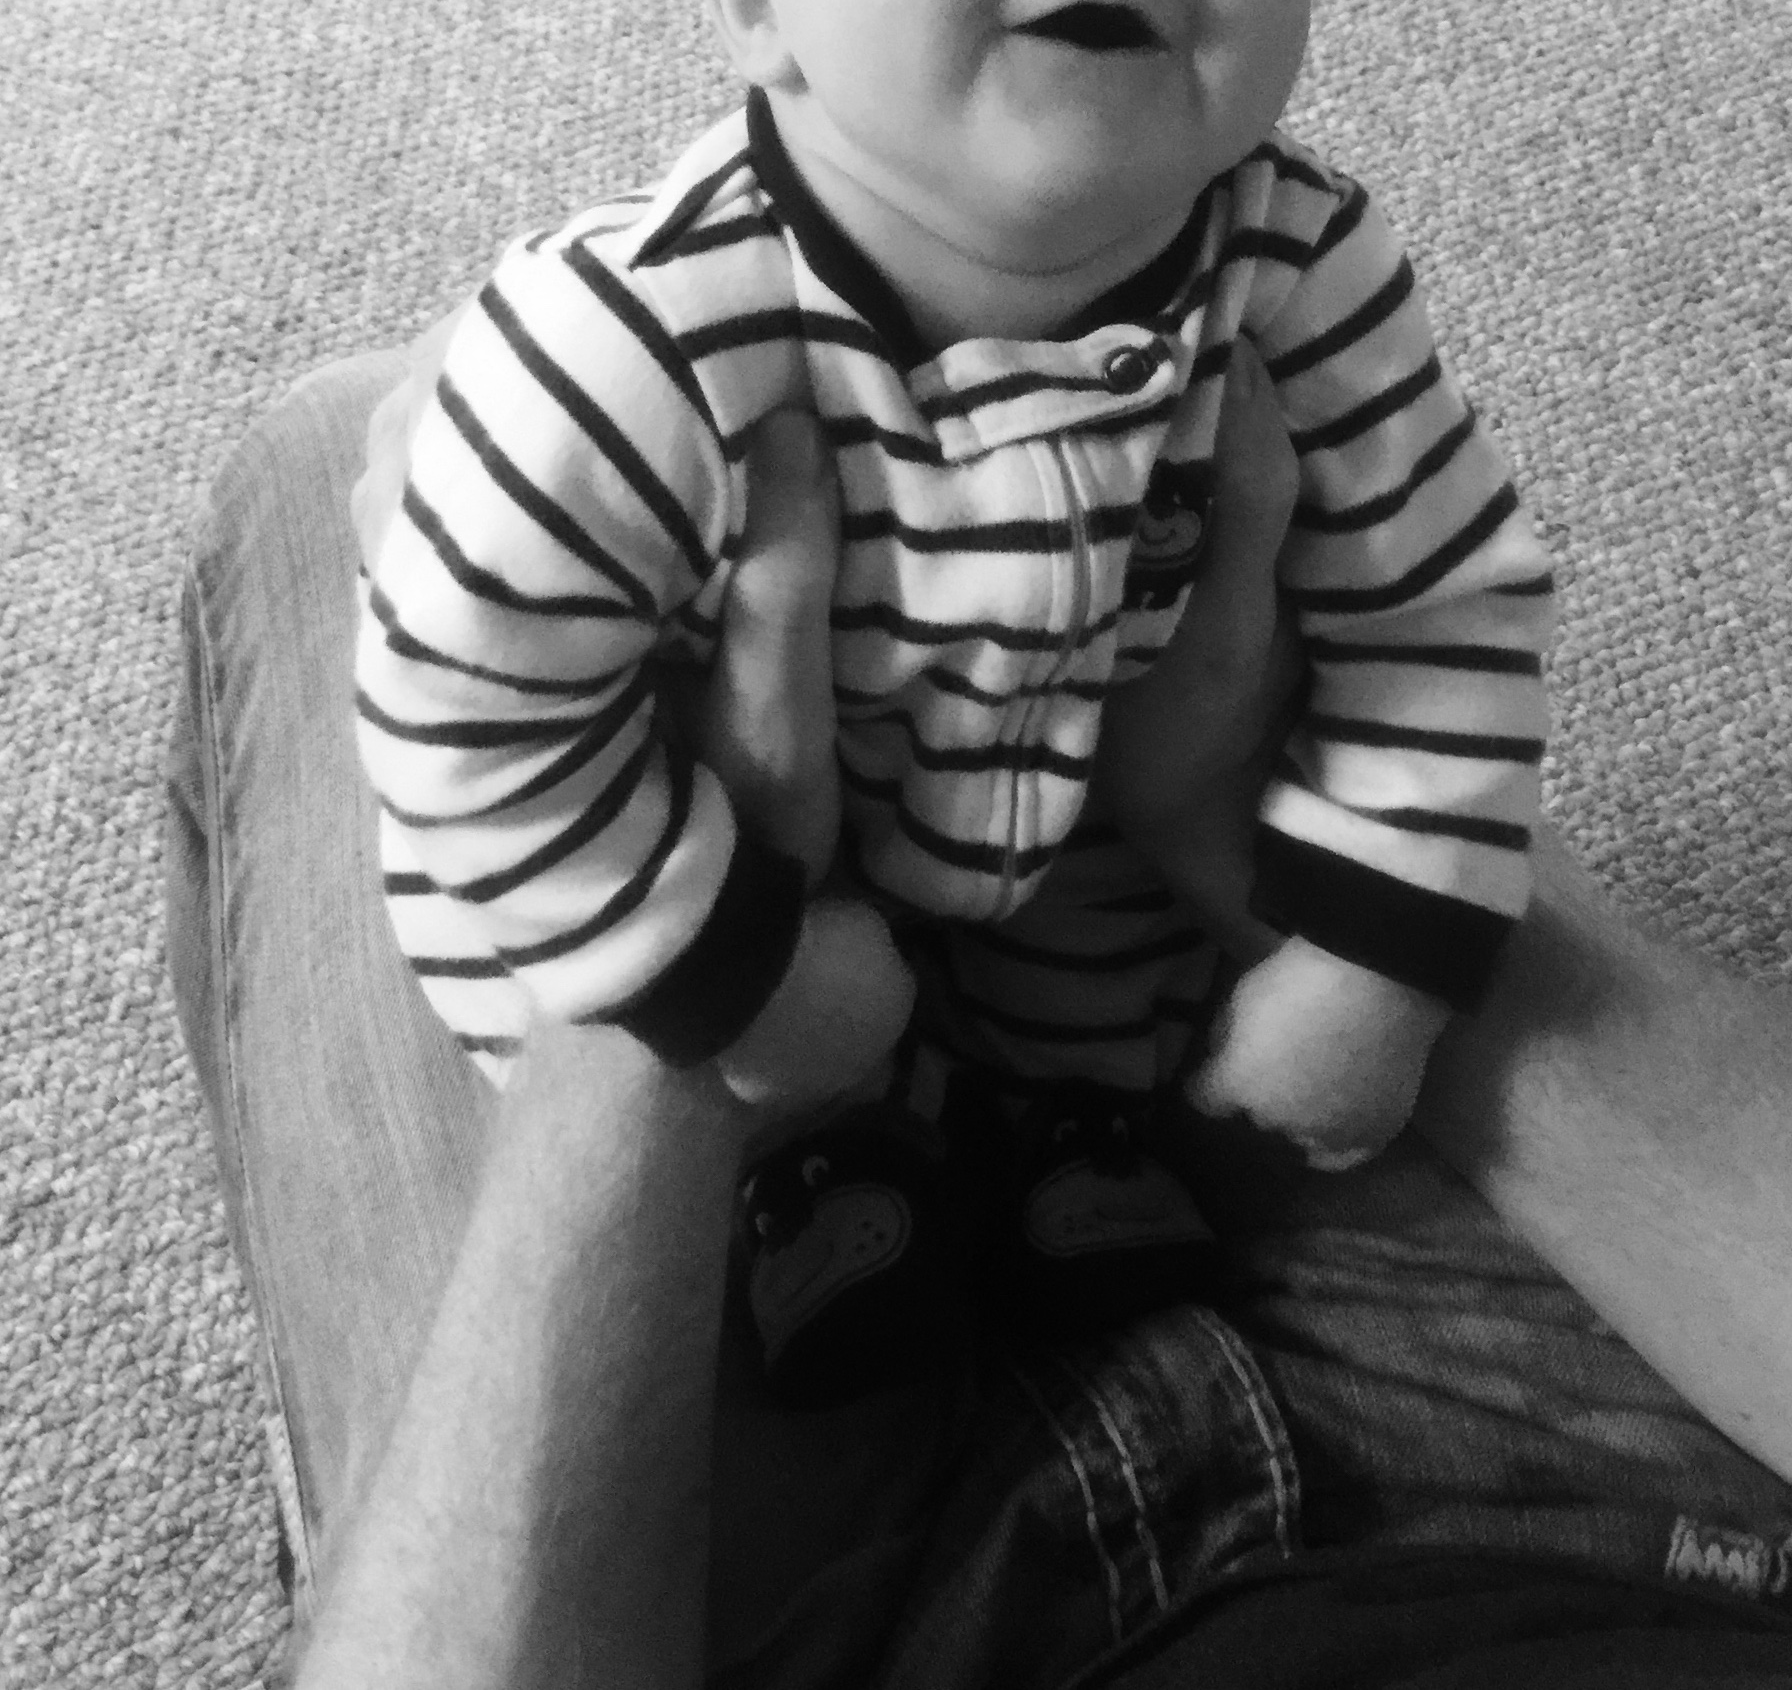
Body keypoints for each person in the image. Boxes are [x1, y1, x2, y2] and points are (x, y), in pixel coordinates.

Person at [167, 338, 1792, 1689]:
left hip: (853, 1629)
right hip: (1640, 1536)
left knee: (355, 468)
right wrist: (1288, 837)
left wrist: (665, 933)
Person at [350, 0, 1555, 1394]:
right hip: (695, 840)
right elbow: (469, 716)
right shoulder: (627, 345)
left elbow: (1442, 607)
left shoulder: (1305, 268)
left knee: (1140, 980)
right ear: (758, 3)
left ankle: (1070, 1126)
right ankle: (812, 1176)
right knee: (582, 1001)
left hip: (1083, 784)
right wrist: (745, 970)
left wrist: (1375, 957)